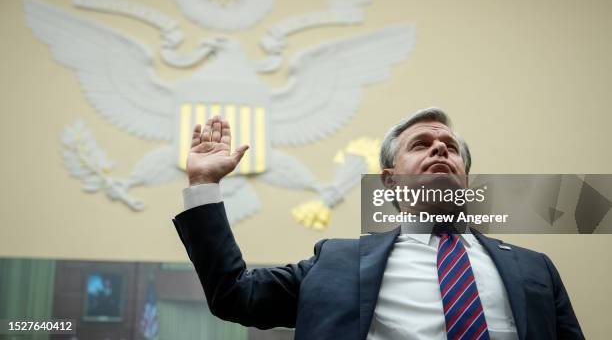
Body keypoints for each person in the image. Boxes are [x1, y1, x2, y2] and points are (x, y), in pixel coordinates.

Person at [172, 108, 584, 340]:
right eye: (421, 145)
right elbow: (235, 295)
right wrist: (204, 184)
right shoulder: (336, 261)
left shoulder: (535, 269)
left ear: (465, 179)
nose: (440, 147)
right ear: (390, 181)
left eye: (451, 148)